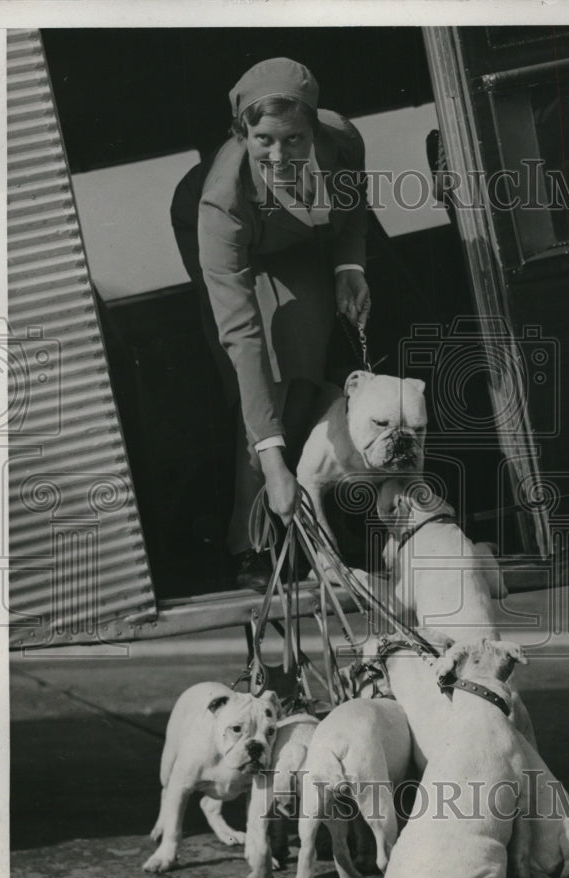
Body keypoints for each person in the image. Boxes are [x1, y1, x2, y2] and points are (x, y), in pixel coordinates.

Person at [171, 57, 370, 590]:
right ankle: (252, 543)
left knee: (304, 346)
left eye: (294, 139)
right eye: (263, 140)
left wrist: (349, 267)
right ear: (243, 132)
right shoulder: (220, 202)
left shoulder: (344, 140)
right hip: (236, 238)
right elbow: (242, 336)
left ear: (315, 128)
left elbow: (352, 208)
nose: (279, 156)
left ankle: (314, 521)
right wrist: (273, 462)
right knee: (264, 377)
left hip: (296, 239)